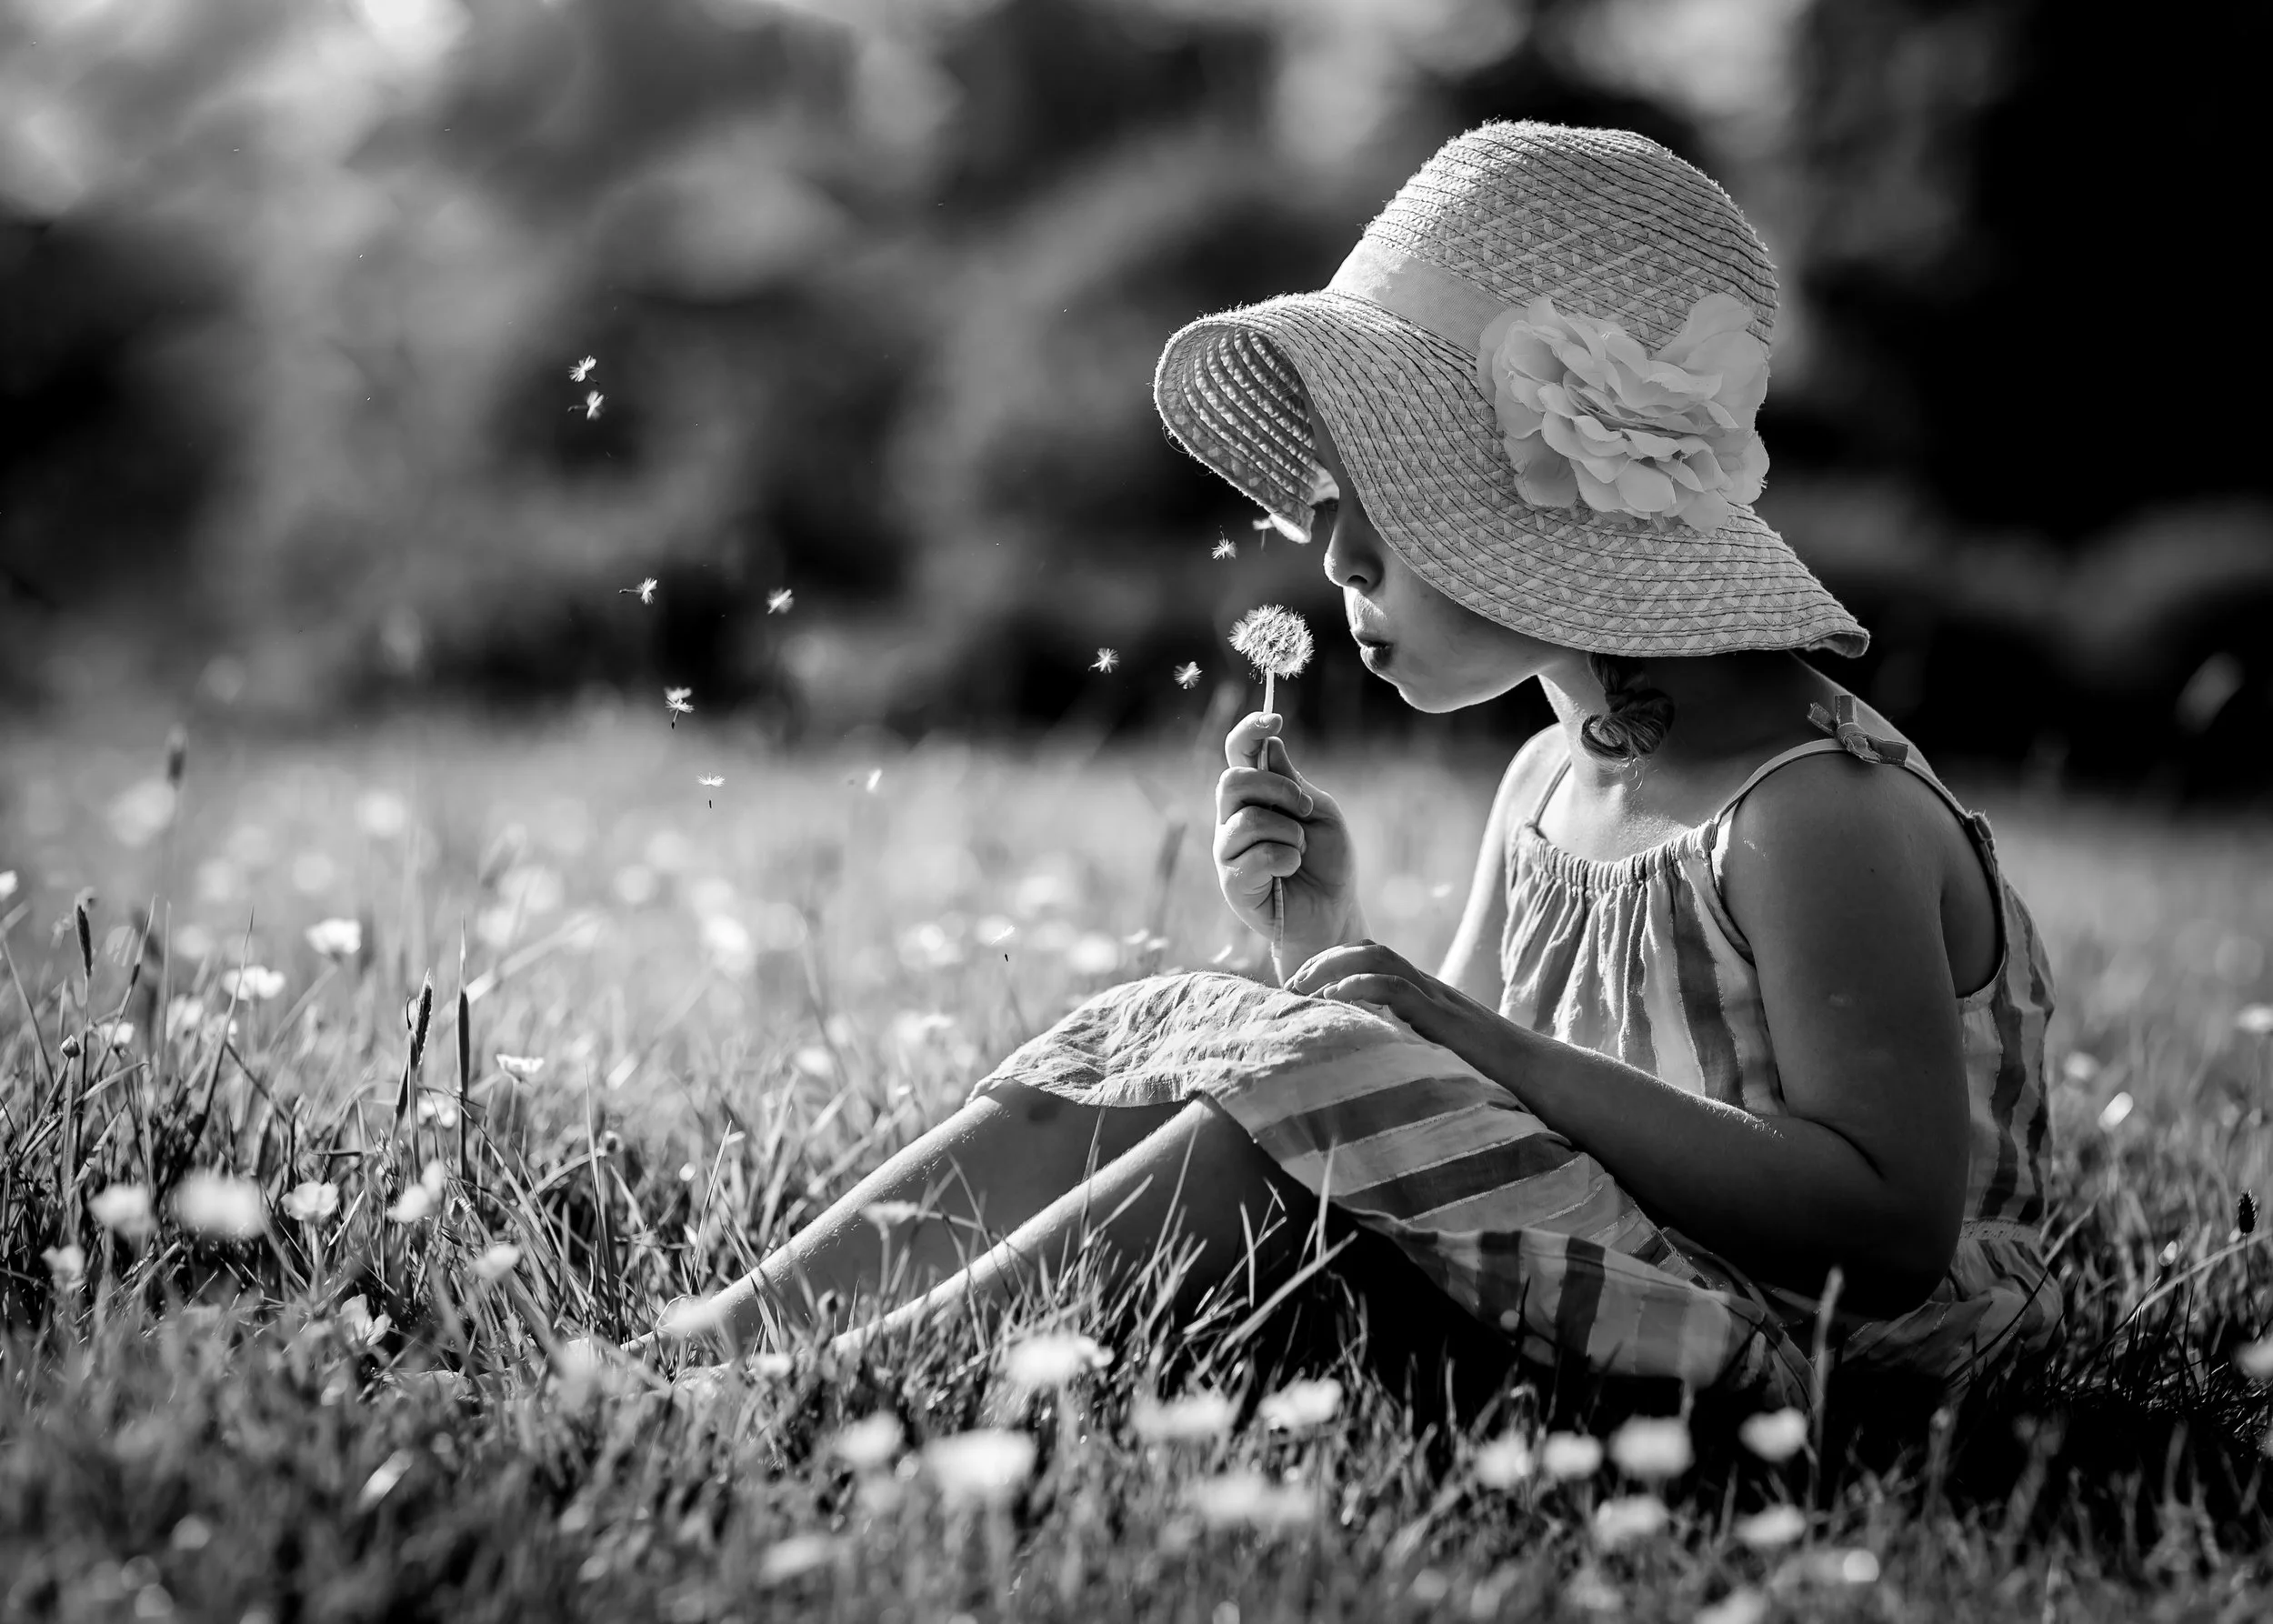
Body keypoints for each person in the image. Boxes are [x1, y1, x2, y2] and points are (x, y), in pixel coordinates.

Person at [647, 121, 2061, 1412]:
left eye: (1380, 493)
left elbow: (1884, 1225)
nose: (1331, 553)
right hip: (1631, 1280)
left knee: (1313, 1087)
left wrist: (1450, 1037)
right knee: (1165, 1021)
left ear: (1542, 503)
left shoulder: (1812, 810)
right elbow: (1460, 1122)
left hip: (1827, 1357)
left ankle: (844, 1378)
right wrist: (1327, 950)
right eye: (1328, 498)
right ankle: (712, 1337)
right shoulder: (1550, 779)